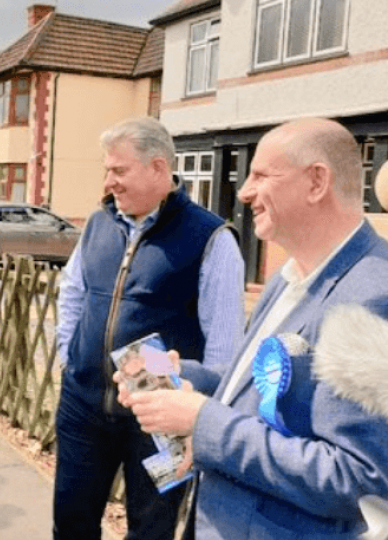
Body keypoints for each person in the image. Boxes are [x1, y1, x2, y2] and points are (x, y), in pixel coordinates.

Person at [118, 117, 388, 540]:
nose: (244, 192)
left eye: (261, 175)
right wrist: (180, 375)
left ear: (316, 182)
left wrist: (204, 422)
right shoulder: (287, 275)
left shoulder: (373, 295)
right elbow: (250, 389)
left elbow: (357, 479)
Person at [54, 116, 246, 540]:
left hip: (159, 423)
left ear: (158, 167)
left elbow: (224, 353)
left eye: (119, 170)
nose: (109, 182)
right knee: (70, 523)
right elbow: (72, 293)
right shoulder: (99, 224)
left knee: (151, 530)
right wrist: (70, 358)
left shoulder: (211, 238)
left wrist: (192, 415)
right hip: (83, 408)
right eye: (107, 170)